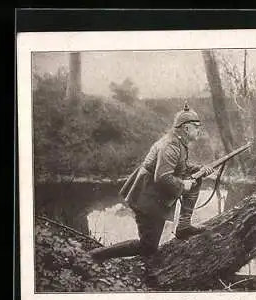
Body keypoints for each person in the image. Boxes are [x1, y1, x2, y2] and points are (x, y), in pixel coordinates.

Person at [89, 103, 215, 263]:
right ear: (186, 129)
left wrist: (200, 169)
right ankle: (95, 256)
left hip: (154, 195)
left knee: (196, 180)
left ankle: (184, 225)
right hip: (146, 195)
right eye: (197, 127)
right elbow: (162, 177)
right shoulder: (170, 145)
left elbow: (180, 165)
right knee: (148, 246)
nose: (199, 130)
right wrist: (183, 185)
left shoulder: (179, 143)